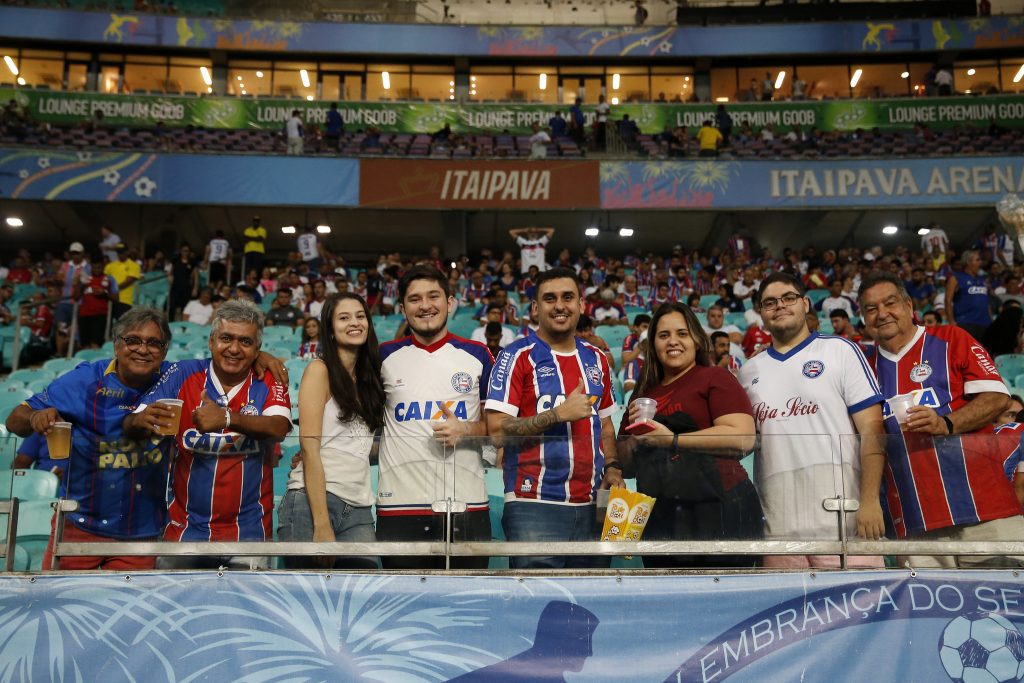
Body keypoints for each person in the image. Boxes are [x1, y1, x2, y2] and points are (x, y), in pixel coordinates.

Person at [859, 272, 1024, 568]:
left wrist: (946, 423)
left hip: (987, 513)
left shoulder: (951, 339)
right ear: (863, 317)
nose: (882, 313)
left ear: (910, 306)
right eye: (871, 308)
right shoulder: (863, 367)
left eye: (890, 303)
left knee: (1008, 611)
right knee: (932, 613)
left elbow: (996, 397)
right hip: (915, 525)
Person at [125, 300, 292, 570]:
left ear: (257, 349)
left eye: (246, 342)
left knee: (248, 611)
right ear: (212, 340)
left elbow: (279, 427)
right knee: (174, 610)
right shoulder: (183, 374)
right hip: (184, 530)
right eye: (226, 338)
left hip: (249, 533)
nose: (234, 348)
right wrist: (142, 420)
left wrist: (227, 418)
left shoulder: (268, 377)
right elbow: (133, 420)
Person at [5, 307, 173, 570]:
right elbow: (14, 419)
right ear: (117, 346)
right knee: (63, 605)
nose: (143, 349)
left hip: (142, 531)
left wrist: (262, 358)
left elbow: (222, 371)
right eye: (133, 340)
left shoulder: (173, 379)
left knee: (128, 610)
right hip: (77, 524)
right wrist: (34, 417)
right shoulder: (84, 380)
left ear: (164, 352)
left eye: (154, 343)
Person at [738, 272, 887, 568]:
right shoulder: (749, 371)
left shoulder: (840, 351)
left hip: (844, 519)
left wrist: (870, 500)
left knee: (860, 610)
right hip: (779, 526)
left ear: (805, 303)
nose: (779, 306)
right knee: (787, 612)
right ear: (761, 313)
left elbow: (872, 428)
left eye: (788, 298)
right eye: (769, 302)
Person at [486, 267, 623, 569]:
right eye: (549, 298)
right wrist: (558, 414)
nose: (560, 305)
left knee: (589, 607)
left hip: (592, 506)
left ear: (581, 305)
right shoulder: (516, 356)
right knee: (537, 605)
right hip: (533, 505)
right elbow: (496, 432)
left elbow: (606, 424)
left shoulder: (597, 358)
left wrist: (612, 467)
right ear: (535, 308)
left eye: (567, 297)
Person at [618, 302, 760, 568]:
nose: (673, 342)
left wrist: (672, 440)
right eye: (663, 335)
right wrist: (630, 447)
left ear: (697, 339)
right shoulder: (642, 392)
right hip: (663, 517)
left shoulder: (715, 377)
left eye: (682, 334)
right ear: (653, 345)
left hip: (721, 510)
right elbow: (626, 465)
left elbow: (742, 436)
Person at [377, 266, 494, 569]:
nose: (425, 305)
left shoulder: (478, 354)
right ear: (402, 308)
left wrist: (466, 429)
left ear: (450, 302)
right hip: (397, 507)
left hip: (465, 505)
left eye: (433, 296)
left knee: (468, 606)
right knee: (401, 609)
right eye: (415, 299)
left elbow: (500, 428)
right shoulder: (383, 356)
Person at [279, 293, 383, 569]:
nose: (355, 323)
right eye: (344, 317)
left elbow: (358, 446)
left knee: (363, 597)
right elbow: (310, 448)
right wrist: (322, 522)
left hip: (360, 506)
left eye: (360, 316)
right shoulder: (319, 370)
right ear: (330, 329)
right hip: (312, 503)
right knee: (306, 602)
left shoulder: (369, 380)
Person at [945, 250, 992, 341]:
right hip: (965, 323)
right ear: (968, 262)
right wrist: (951, 321)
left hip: (985, 323)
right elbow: (948, 301)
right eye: (977, 260)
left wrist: (990, 320)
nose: (980, 262)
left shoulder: (983, 280)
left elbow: (987, 302)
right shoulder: (956, 278)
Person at [77, 257, 118, 348]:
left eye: (99, 267)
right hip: (84, 314)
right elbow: (76, 297)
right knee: (84, 345)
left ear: (103, 267)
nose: (96, 270)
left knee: (95, 344)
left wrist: (104, 293)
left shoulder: (109, 279)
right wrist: (81, 285)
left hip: (100, 315)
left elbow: (116, 298)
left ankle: (95, 362)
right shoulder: (85, 279)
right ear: (91, 267)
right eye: (94, 267)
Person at [104, 243, 140, 319]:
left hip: (125, 301)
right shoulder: (110, 266)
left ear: (127, 252)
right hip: (110, 300)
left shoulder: (134, 265)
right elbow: (104, 279)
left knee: (122, 326)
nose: (120, 254)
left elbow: (128, 281)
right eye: (118, 252)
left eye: (122, 252)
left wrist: (112, 290)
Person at [168, 242, 199, 321]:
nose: (185, 252)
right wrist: (170, 279)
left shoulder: (192, 261)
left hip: (186, 287)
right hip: (175, 286)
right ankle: (171, 323)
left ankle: (182, 323)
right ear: (180, 251)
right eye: (184, 250)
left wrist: (195, 288)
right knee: (172, 306)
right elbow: (170, 272)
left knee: (184, 307)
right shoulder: (175, 260)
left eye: (187, 251)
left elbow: (196, 276)